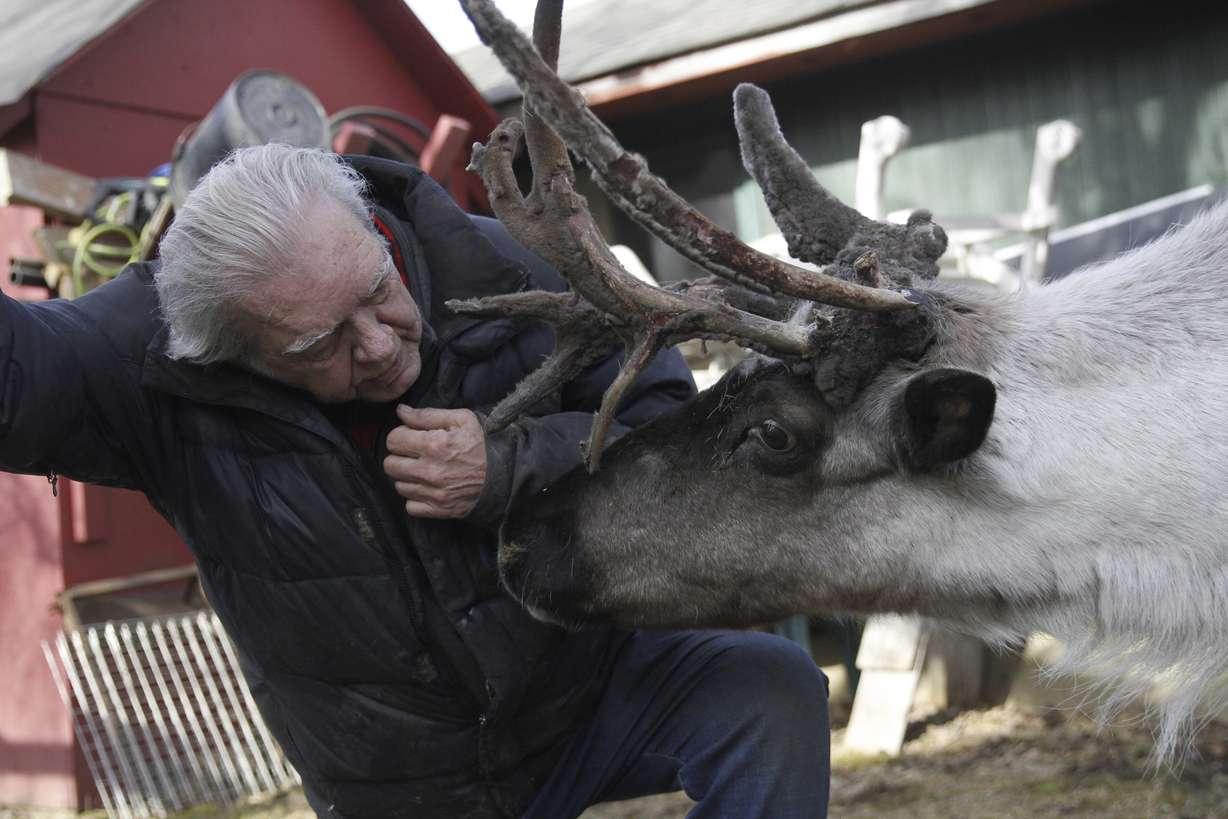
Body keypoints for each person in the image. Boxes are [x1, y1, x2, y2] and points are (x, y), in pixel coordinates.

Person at [0, 144, 830, 818]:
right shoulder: (154, 359)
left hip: (582, 696)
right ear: (232, 352)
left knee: (768, 694)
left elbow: (668, 433)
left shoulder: (497, 265)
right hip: (400, 786)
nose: (379, 345)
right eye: (316, 345)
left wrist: (511, 462)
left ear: (371, 226)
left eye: (376, 291)